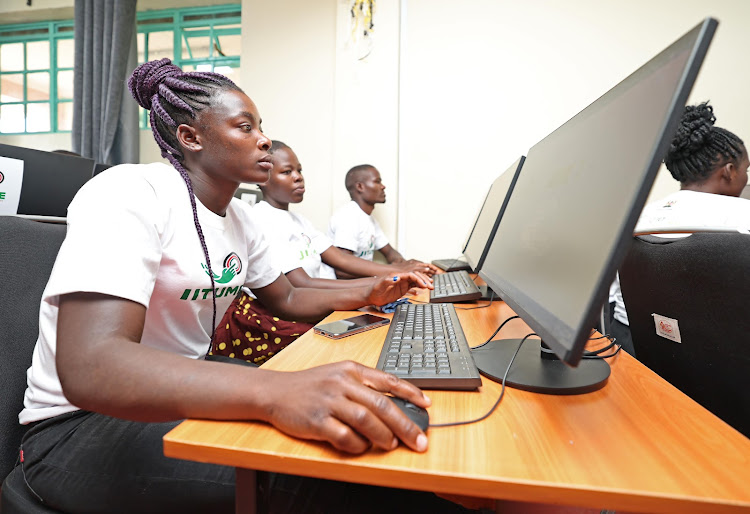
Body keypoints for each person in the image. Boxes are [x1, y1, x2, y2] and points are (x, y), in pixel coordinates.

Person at [13, 58, 476, 514]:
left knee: (361, 425)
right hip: (75, 429)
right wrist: (276, 392)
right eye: (244, 127)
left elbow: (288, 297)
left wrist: (369, 292)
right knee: (321, 474)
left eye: (261, 126)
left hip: (173, 388)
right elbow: (92, 367)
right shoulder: (130, 192)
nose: (264, 140)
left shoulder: (241, 217)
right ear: (190, 137)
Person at [211, 140, 434, 364]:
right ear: (264, 178)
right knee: (365, 346)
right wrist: (377, 284)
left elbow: (339, 258)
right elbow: (301, 284)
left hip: (310, 301)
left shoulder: (300, 221)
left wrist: (395, 273)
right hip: (275, 317)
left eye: (299, 170)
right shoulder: (261, 218)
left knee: (389, 327)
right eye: (287, 172)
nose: (298, 177)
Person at [610, 101, 749, 350]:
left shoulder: (637, 219)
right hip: (725, 363)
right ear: (729, 171)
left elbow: (614, 299)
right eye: (746, 169)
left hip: (636, 350)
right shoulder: (743, 217)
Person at [325, 164, 438, 278]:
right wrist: (398, 270)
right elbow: (342, 271)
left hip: (361, 285)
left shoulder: (369, 219)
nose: (383, 186)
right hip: (346, 290)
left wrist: (407, 266)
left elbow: (390, 253)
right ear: (360, 187)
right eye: (377, 181)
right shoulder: (348, 216)